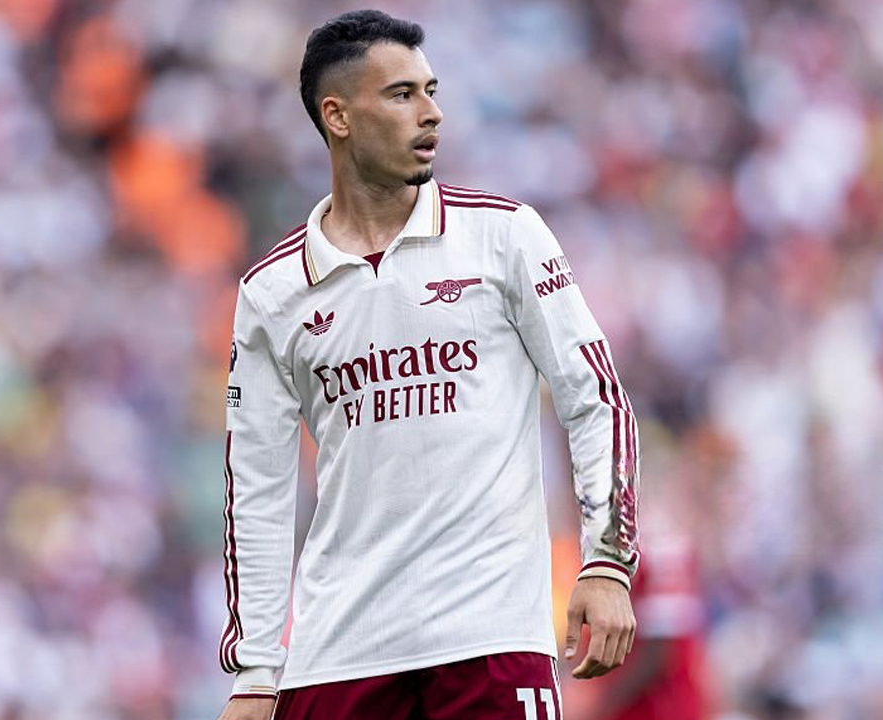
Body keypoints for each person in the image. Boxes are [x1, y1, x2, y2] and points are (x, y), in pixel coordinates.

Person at [216, 10, 641, 720]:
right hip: (338, 653)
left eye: (431, 91)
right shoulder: (273, 291)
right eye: (402, 94)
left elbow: (594, 397)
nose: (432, 112)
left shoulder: (504, 236)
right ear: (337, 116)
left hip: (490, 638)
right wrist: (256, 671)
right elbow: (256, 486)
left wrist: (606, 561)